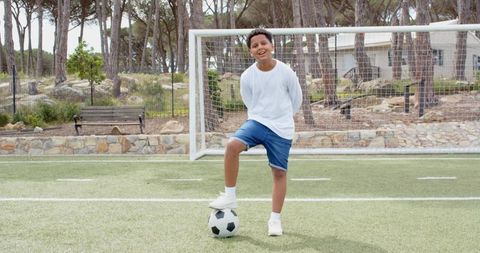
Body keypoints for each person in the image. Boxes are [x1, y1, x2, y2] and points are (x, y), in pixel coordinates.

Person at [209, 28, 303, 236]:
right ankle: (230, 195)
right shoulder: (247, 76)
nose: (260, 47)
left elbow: (297, 100)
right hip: (258, 122)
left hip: (282, 128)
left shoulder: (286, 72)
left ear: (272, 46)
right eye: (255, 45)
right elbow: (249, 101)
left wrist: (283, 117)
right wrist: (263, 117)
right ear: (250, 52)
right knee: (232, 146)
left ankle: (275, 220)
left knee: (279, 173)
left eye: (263, 43)